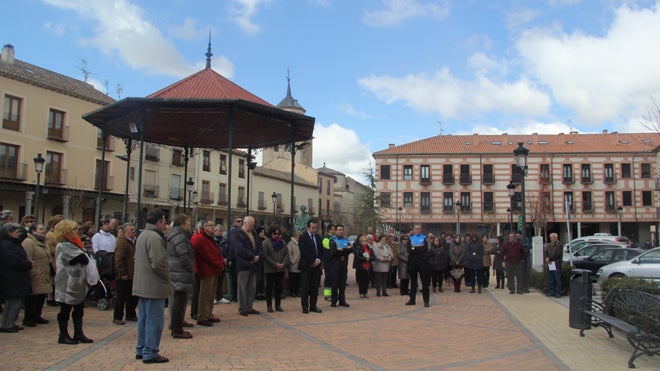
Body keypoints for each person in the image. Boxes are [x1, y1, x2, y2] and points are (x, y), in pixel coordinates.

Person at [133, 209, 171, 363]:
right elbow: (158, 263)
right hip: (153, 285)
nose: (165, 225)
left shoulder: (142, 235)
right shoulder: (155, 238)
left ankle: (141, 348)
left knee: (143, 318)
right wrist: (167, 277)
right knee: (154, 320)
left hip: (143, 284)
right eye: (164, 221)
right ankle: (150, 351)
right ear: (159, 222)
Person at [53, 219, 93, 344]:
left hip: (77, 282)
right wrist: (84, 255)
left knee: (79, 308)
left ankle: (78, 333)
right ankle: (63, 335)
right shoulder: (63, 245)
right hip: (66, 282)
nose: (77, 231)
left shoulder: (75, 244)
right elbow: (82, 258)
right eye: (74, 229)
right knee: (65, 309)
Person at [191, 219, 225, 326]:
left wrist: (220, 263)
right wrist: (220, 264)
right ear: (204, 227)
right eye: (211, 225)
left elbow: (216, 252)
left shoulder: (209, 238)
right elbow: (208, 256)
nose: (214, 227)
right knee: (205, 295)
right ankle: (202, 316)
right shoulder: (199, 238)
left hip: (213, 270)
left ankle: (208, 314)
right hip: (205, 270)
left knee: (210, 295)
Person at [0, 223, 32, 333]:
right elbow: (13, 261)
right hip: (11, 277)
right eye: (16, 231)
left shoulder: (15, 243)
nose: (18, 233)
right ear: (9, 233)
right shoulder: (6, 245)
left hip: (18, 276)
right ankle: (6, 324)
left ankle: (11, 322)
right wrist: (28, 263)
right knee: (11, 302)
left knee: (17, 301)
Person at [166, 214, 194, 339]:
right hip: (179, 271)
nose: (189, 225)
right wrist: (190, 268)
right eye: (187, 222)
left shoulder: (178, 235)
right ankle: (177, 329)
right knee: (179, 299)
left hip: (177, 270)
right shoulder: (179, 236)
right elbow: (183, 254)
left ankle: (178, 323)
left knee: (181, 300)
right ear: (182, 223)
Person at [21, 223, 52, 327]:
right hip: (35, 273)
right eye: (40, 229)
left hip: (44, 272)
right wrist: (32, 271)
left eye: (43, 229)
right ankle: (29, 318)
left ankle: (37, 316)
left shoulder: (43, 242)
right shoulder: (28, 242)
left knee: (41, 296)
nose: (42, 231)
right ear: (33, 231)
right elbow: (27, 257)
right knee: (32, 298)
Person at [233, 216, 261, 317]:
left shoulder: (253, 233)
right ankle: (243, 308)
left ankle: (249, 306)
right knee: (242, 287)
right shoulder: (238, 234)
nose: (252, 227)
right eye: (250, 225)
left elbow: (258, 245)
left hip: (254, 264)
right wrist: (252, 257)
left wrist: (257, 256)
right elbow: (240, 249)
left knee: (252, 287)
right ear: (245, 223)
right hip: (244, 264)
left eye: (253, 225)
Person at [113, 223, 138, 325]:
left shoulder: (133, 242)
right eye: (131, 230)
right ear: (125, 232)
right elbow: (119, 258)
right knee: (121, 296)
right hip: (124, 274)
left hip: (132, 273)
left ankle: (130, 314)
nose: (133, 232)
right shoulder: (122, 242)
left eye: (133, 230)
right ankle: (118, 316)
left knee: (132, 296)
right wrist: (122, 272)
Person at [298, 218, 324, 313]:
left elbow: (321, 251)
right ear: (308, 227)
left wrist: (318, 260)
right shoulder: (303, 237)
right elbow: (303, 251)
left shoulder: (318, 237)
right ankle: (305, 306)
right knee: (305, 287)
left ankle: (313, 305)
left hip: (316, 267)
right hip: (306, 266)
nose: (314, 230)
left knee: (314, 287)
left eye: (315, 228)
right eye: (312, 228)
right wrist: (312, 261)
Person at [261, 225, 289, 313]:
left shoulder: (282, 242)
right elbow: (266, 256)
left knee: (279, 288)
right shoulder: (265, 243)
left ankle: (278, 305)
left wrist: (283, 263)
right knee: (269, 288)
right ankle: (269, 305)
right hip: (270, 269)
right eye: (275, 233)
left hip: (280, 269)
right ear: (271, 233)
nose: (276, 235)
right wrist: (275, 264)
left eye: (278, 233)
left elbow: (286, 254)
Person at [406, 224, 431, 307]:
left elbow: (425, 249)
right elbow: (409, 249)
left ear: (421, 230)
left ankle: (426, 301)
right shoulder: (410, 238)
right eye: (416, 229)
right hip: (413, 262)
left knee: (424, 282)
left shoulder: (424, 238)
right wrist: (418, 249)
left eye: (419, 229)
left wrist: (415, 249)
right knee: (413, 283)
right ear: (414, 230)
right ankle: (412, 300)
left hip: (422, 262)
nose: (417, 230)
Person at [330, 224, 351, 307]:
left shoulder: (346, 240)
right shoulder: (332, 240)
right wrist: (344, 250)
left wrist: (342, 250)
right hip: (336, 263)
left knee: (343, 282)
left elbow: (350, 250)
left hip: (344, 263)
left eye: (342, 229)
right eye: (339, 230)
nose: (341, 231)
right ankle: (334, 301)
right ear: (335, 231)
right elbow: (333, 252)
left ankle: (342, 300)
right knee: (335, 283)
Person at [213, 224, 230, 304]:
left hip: (223, 263)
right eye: (219, 231)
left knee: (220, 281)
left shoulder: (224, 240)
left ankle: (219, 296)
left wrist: (226, 258)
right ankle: (213, 297)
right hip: (215, 263)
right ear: (215, 231)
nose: (221, 232)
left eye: (222, 231)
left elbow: (228, 250)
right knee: (213, 282)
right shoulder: (213, 240)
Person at [543, 232, 563, 298]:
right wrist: (546, 258)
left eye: (553, 238)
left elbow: (558, 254)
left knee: (557, 279)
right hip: (550, 264)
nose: (552, 239)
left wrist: (550, 258)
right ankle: (552, 292)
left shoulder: (559, 245)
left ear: (556, 238)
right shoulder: (549, 245)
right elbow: (545, 252)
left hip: (556, 264)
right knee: (550, 279)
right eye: (551, 238)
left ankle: (558, 292)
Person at [321, 224, 336, 302]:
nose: (335, 231)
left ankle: (334, 294)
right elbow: (330, 249)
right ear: (329, 230)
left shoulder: (334, 238)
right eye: (334, 229)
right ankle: (327, 295)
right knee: (328, 278)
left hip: (334, 261)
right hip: (328, 261)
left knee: (334, 278)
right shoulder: (326, 239)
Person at [287, 231, 302, 297]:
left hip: (300, 264)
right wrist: (293, 261)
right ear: (296, 236)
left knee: (299, 279)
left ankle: (298, 291)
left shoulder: (301, 243)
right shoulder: (290, 244)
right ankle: (292, 291)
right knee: (293, 279)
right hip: (293, 264)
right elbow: (289, 253)